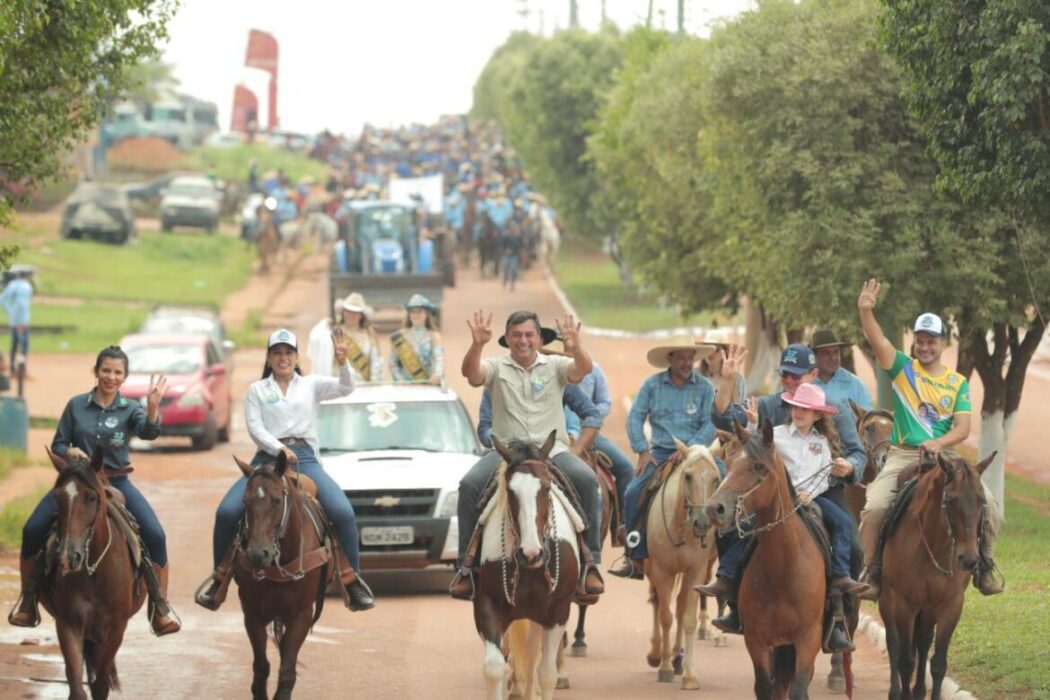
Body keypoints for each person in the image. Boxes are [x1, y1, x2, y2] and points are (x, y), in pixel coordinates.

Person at [194, 329, 375, 612]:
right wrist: (277, 447)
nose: (283, 358)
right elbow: (255, 427)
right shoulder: (257, 390)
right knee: (227, 512)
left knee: (343, 512)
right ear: (268, 357)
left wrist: (343, 362)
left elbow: (346, 388)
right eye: (277, 353)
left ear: (296, 356)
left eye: (288, 353)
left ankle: (352, 580)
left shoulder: (312, 385)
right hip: (265, 459)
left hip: (305, 458)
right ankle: (220, 578)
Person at [699, 343, 866, 645]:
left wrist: (849, 466)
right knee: (731, 526)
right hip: (769, 491)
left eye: (795, 376)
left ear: (814, 374)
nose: (788, 382)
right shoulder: (767, 406)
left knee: (852, 542)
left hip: (822, 491)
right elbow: (725, 419)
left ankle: (841, 613)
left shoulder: (836, 410)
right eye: (784, 375)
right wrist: (727, 382)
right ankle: (733, 599)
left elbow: (858, 454)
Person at [8, 346, 180, 635]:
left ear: (124, 378)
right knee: (32, 529)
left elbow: (149, 433)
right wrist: (70, 450)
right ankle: (28, 600)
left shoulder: (130, 409)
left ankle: (160, 607)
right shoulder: (75, 406)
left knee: (155, 534)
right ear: (96, 371)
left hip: (116, 483)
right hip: (77, 484)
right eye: (106, 370)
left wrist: (152, 409)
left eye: (117, 373)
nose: (110, 377)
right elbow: (58, 444)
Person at [855, 279, 1002, 598]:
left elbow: (963, 429)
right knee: (875, 506)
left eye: (931, 341)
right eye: (920, 341)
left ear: (943, 343)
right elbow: (876, 338)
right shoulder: (902, 369)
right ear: (914, 344)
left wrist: (939, 443)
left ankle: (985, 566)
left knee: (989, 503)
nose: (925, 346)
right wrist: (866, 311)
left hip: (946, 458)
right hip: (903, 454)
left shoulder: (957, 382)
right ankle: (873, 571)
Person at [450, 310, 605, 603]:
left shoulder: (556, 365)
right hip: (507, 453)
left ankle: (590, 563)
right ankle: (466, 568)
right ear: (507, 339)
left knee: (587, 480)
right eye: (517, 335)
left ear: (538, 338)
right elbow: (471, 374)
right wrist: (477, 345)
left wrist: (576, 348)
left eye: (529, 335)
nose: (523, 341)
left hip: (551, 451)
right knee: (469, 485)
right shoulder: (496, 367)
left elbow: (582, 369)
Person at [609, 334, 718, 579]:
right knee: (633, 492)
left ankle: (727, 560)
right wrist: (642, 451)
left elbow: (710, 424)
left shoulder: (705, 387)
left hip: (698, 453)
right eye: (681, 358)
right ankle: (634, 554)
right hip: (659, 453)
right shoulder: (651, 385)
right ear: (669, 359)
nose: (686, 363)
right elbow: (635, 417)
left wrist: (688, 450)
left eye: (690, 358)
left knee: (727, 487)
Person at [773, 383, 869, 596]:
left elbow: (824, 479)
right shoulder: (776, 436)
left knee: (843, 522)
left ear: (817, 415)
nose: (798, 412)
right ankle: (730, 577)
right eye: (796, 407)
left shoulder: (823, 442)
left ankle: (841, 575)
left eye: (805, 409)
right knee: (744, 524)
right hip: (780, 498)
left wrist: (809, 495)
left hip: (813, 498)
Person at [307, 292, 383, 382]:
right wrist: (324, 325)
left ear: (361, 315)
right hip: (338, 385)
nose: (351, 315)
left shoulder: (369, 335)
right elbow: (318, 349)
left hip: (363, 387)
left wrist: (374, 385)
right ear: (343, 312)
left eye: (355, 312)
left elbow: (377, 362)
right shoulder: (333, 332)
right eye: (348, 311)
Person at [810, 328, 873, 410]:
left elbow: (867, 418)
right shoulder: (806, 383)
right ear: (814, 356)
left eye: (836, 352)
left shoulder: (855, 384)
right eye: (826, 353)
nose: (833, 358)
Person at [389, 294, 443, 384]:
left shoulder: (434, 336)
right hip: (404, 387)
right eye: (412, 312)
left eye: (419, 312)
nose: (415, 315)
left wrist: (437, 374)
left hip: (426, 384)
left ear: (426, 314)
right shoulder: (399, 335)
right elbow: (392, 362)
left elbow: (439, 359)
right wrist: (399, 379)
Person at [1, 268, 33, 377]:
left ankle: (13, 370)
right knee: (23, 346)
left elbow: (2, 299)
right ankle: (22, 370)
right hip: (22, 322)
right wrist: (21, 321)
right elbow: (22, 305)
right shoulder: (26, 286)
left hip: (14, 321)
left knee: (14, 345)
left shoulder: (12, 285)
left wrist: (10, 313)